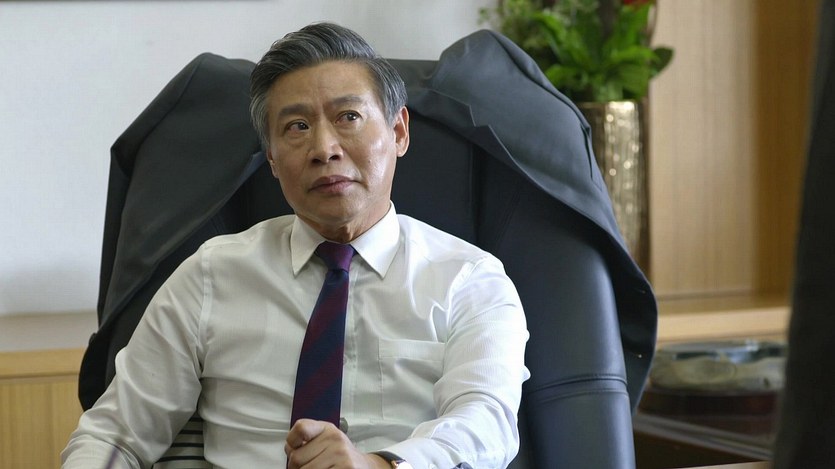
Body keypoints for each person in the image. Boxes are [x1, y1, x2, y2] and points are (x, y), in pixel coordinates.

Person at [62, 22, 530, 469]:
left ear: (399, 132)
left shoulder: (469, 281)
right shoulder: (210, 276)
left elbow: (485, 423)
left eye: (349, 117)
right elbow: (115, 435)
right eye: (297, 127)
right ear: (271, 158)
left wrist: (378, 463)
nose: (324, 148)